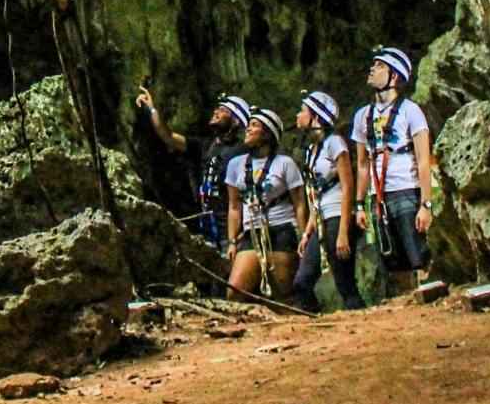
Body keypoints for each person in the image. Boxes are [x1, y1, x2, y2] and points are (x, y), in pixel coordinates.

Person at [351, 46, 434, 298]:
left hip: (406, 190)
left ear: (394, 77)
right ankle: (406, 305)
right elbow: (363, 164)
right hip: (379, 197)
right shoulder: (362, 116)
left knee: (417, 253)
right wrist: (359, 205)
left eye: (380, 66)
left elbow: (423, 159)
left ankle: (428, 300)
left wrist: (425, 204)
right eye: (373, 65)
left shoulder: (411, 111)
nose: (372, 69)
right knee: (392, 257)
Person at [136, 86, 251, 249]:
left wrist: (240, 235)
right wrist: (152, 109)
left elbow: (248, 194)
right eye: (217, 108)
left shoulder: (241, 152)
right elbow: (167, 136)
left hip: (231, 234)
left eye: (224, 110)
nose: (216, 112)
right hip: (209, 231)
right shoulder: (205, 146)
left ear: (236, 121)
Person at [290, 90, 363, 313]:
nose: (297, 116)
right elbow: (315, 194)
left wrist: (343, 232)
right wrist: (308, 232)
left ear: (316, 117)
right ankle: (318, 324)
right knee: (301, 282)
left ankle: (364, 325)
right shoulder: (312, 151)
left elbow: (347, 186)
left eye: (302, 111)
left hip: (337, 218)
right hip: (321, 218)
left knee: (345, 283)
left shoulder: (335, 143)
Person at [223, 108, 307, 300]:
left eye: (255, 125)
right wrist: (232, 241)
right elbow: (234, 206)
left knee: (282, 294)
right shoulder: (235, 165)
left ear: (268, 133)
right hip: (252, 232)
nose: (248, 129)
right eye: (249, 125)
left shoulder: (285, 164)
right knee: (234, 291)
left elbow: (299, 204)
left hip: (281, 230)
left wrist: (304, 237)